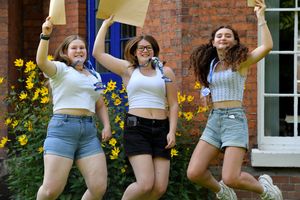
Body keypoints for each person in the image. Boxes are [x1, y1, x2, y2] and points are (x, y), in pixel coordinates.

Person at [187, 0, 283, 200]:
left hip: (234, 120)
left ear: (234, 42)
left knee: (230, 176)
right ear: (213, 42)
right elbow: (209, 85)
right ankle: (223, 191)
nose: (223, 38)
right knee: (194, 172)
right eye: (219, 35)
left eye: (228, 36)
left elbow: (267, 46)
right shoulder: (211, 65)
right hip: (214, 120)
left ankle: (264, 189)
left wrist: (261, 17)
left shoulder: (241, 62)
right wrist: (204, 92)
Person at [93, 16, 178, 200]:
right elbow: (98, 53)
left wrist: (172, 131)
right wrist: (106, 25)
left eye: (149, 48)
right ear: (135, 51)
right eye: (141, 48)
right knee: (145, 184)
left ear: (155, 51)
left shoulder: (166, 72)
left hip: (162, 129)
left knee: (159, 188)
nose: (145, 50)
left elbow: (173, 104)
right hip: (137, 127)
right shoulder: (128, 70)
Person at [36, 17, 112, 200]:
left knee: (98, 187)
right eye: (74, 48)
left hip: (88, 132)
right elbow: (41, 62)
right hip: (63, 129)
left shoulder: (94, 75)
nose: (79, 51)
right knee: (50, 190)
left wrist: (107, 125)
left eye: (82, 47)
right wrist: (45, 36)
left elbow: (99, 103)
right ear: (65, 52)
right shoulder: (61, 70)